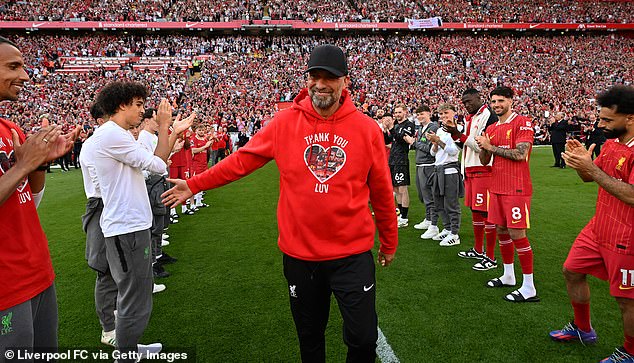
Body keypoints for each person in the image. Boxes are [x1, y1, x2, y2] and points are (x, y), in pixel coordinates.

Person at [162, 44, 398, 363]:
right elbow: (242, 160)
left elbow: (382, 190)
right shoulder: (285, 123)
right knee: (310, 337)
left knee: (364, 339)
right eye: (315, 76)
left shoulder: (366, 129)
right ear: (306, 80)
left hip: (352, 254)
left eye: (330, 77)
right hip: (300, 255)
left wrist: (389, 240)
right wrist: (193, 184)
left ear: (345, 82)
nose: (321, 83)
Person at [91, 81, 193, 362]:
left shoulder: (117, 134)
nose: (142, 111)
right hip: (126, 228)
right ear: (121, 105)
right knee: (134, 295)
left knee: (137, 293)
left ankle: (130, 348)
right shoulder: (112, 134)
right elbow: (159, 165)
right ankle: (125, 354)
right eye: (137, 104)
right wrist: (164, 125)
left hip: (130, 225)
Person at [0, 36, 77, 358]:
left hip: (36, 271)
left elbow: (29, 199)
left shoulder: (9, 128)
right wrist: (25, 164)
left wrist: (42, 161)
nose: (25, 76)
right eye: (13, 66)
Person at [550, 85, 634, 363]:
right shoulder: (611, 144)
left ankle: (630, 352)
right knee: (572, 270)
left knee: (626, 299)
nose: (600, 124)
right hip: (599, 226)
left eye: (607, 120)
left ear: (630, 118)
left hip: (627, 234)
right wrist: (581, 163)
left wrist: (592, 168)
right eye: (600, 118)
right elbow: (591, 178)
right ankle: (582, 329)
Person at [475, 86, 539, 303]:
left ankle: (529, 286)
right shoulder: (491, 128)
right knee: (501, 229)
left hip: (517, 188)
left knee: (517, 233)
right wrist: (483, 146)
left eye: (501, 101)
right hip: (497, 187)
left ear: (511, 101)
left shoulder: (523, 122)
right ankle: (509, 275)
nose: (496, 105)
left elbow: (521, 154)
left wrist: (491, 147)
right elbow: (484, 161)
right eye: (493, 101)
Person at [446, 89, 499, 270]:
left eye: (469, 101)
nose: (466, 105)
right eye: (464, 103)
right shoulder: (470, 118)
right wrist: (455, 134)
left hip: (483, 169)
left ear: (478, 98)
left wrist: (458, 134)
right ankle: (478, 249)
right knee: (476, 211)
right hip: (469, 169)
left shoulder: (487, 115)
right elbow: (465, 144)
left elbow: (480, 146)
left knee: (486, 213)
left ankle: (490, 257)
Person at [424, 104, 463, 246]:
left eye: (446, 113)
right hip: (438, 168)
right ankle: (447, 228)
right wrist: (434, 143)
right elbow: (432, 153)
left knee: (451, 203)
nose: (443, 116)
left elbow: (453, 151)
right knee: (439, 202)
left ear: (454, 113)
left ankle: (455, 233)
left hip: (450, 169)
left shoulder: (458, 130)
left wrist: (437, 141)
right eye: (441, 114)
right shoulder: (440, 130)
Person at [403, 105, 439, 237]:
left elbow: (429, 149)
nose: (419, 117)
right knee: (423, 194)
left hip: (428, 164)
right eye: (417, 115)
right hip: (420, 164)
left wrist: (413, 142)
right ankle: (428, 218)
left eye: (422, 114)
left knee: (429, 195)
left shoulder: (433, 127)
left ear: (429, 113)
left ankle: (433, 223)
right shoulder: (421, 128)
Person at [383, 103, 415, 227]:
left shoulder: (409, 125)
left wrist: (391, 128)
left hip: (401, 160)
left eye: (399, 112)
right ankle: (401, 215)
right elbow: (388, 142)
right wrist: (386, 130)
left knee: (402, 188)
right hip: (393, 160)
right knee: (396, 188)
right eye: (395, 112)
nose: (397, 114)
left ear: (405, 112)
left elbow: (402, 140)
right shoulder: (396, 125)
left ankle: (404, 218)